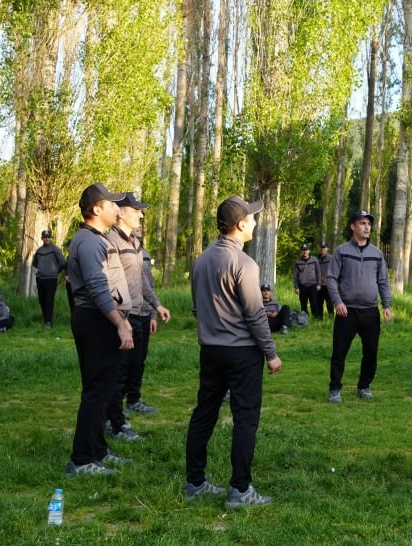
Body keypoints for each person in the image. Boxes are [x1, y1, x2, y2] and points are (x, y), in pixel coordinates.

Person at [185, 195, 282, 508]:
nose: (254, 222)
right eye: (251, 218)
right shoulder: (244, 264)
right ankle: (240, 490)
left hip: (210, 351)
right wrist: (271, 353)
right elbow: (255, 315)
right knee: (245, 419)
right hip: (242, 353)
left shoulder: (201, 261)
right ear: (240, 225)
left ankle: (194, 482)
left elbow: (197, 308)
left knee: (204, 414)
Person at [64, 183, 135, 477]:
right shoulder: (91, 242)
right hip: (96, 320)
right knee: (97, 392)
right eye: (112, 204)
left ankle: (98, 451)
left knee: (103, 390)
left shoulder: (94, 239)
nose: (117, 209)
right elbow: (96, 286)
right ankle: (82, 460)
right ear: (96, 209)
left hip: (97, 318)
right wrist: (120, 323)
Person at [107, 193, 168, 436]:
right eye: (136, 211)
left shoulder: (134, 242)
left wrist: (156, 305)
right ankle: (115, 422)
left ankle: (118, 414)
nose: (141, 215)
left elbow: (141, 279)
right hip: (121, 316)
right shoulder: (110, 241)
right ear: (121, 213)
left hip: (138, 314)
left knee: (133, 366)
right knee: (118, 372)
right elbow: (107, 282)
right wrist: (119, 319)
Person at [326, 210, 393, 402]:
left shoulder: (377, 254)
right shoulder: (341, 251)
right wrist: (338, 302)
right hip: (347, 312)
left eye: (369, 224)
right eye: (362, 223)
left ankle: (364, 386)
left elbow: (383, 281)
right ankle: (335, 389)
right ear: (353, 226)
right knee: (339, 352)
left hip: (370, 312)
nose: (367, 227)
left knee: (371, 352)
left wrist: (386, 305)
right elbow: (331, 278)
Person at [32, 230, 67, 328]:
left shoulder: (55, 249)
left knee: (49, 300)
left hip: (51, 279)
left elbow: (63, 263)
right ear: (42, 238)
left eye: (48, 237)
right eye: (45, 237)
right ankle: (45, 319)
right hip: (40, 279)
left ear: (50, 238)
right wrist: (41, 270)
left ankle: (48, 322)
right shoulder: (39, 251)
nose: (47, 239)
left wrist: (56, 271)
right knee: (42, 300)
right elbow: (35, 264)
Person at [294, 244, 321, 319]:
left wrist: (319, 284)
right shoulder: (297, 262)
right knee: (303, 304)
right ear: (301, 251)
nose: (305, 251)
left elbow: (318, 272)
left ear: (309, 251)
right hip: (302, 286)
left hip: (312, 285)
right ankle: (305, 319)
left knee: (314, 303)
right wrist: (296, 287)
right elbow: (295, 276)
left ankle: (315, 318)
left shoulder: (314, 260)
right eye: (303, 250)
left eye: (306, 250)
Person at [316, 241, 333, 319]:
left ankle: (331, 318)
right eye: (321, 247)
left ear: (327, 249)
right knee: (319, 303)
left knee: (329, 303)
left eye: (324, 247)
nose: (322, 249)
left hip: (328, 285)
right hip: (319, 285)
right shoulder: (316, 259)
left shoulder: (331, 259)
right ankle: (319, 319)